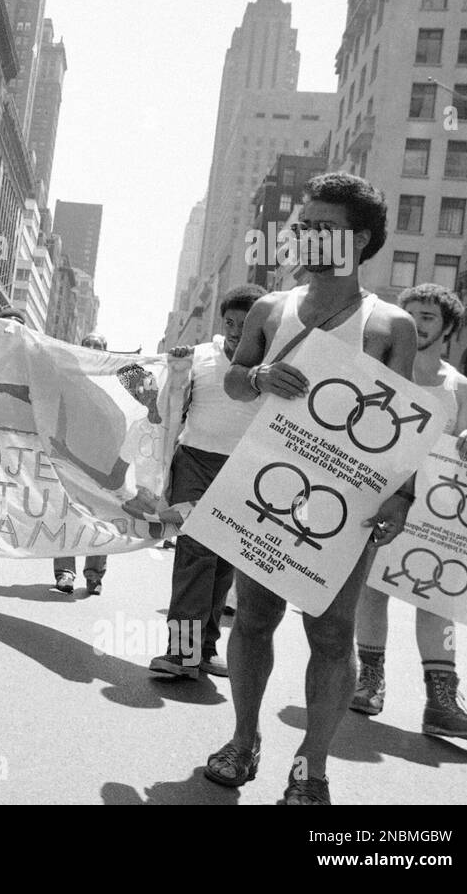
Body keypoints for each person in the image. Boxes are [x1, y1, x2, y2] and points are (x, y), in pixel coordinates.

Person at [203, 172, 418, 805]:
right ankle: (244, 741)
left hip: (345, 503)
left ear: (361, 239)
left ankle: (312, 765)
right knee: (253, 623)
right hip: (267, 485)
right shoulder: (272, 308)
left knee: (330, 634)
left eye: (323, 227)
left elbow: (399, 425)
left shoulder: (391, 325)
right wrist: (262, 375)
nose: (306, 236)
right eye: (304, 226)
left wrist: (400, 498)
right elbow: (236, 381)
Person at [350, 283, 467, 741]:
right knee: (374, 591)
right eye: (409, 315)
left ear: (448, 327)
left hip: (435, 506)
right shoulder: (384, 369)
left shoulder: (461, 386)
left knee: (439, 598)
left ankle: (443, 700)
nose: (417, 323)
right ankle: (369, 680)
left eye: (428, 317)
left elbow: (464, 446)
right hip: (382, 493)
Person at [149, 284, 266, 680]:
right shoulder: (199, 356)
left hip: (245, 473)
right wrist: (177, 368)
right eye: (230, 323)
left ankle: (205, 648)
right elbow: (167, 402)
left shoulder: (274, 364)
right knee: (195, 555)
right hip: (195, 464)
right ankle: (181, 652)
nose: (235, 332)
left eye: (245, 325)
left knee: (223, 564)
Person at [52, 332, 112, 595]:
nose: (90, 349)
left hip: (102, 460)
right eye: (86, 345)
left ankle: (94, 575)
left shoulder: (117, 376)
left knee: (100, 518)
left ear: (105, 351)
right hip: (69, 456)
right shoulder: (66, 375)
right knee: (67, 514)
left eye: (96, 346)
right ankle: (65, 572)